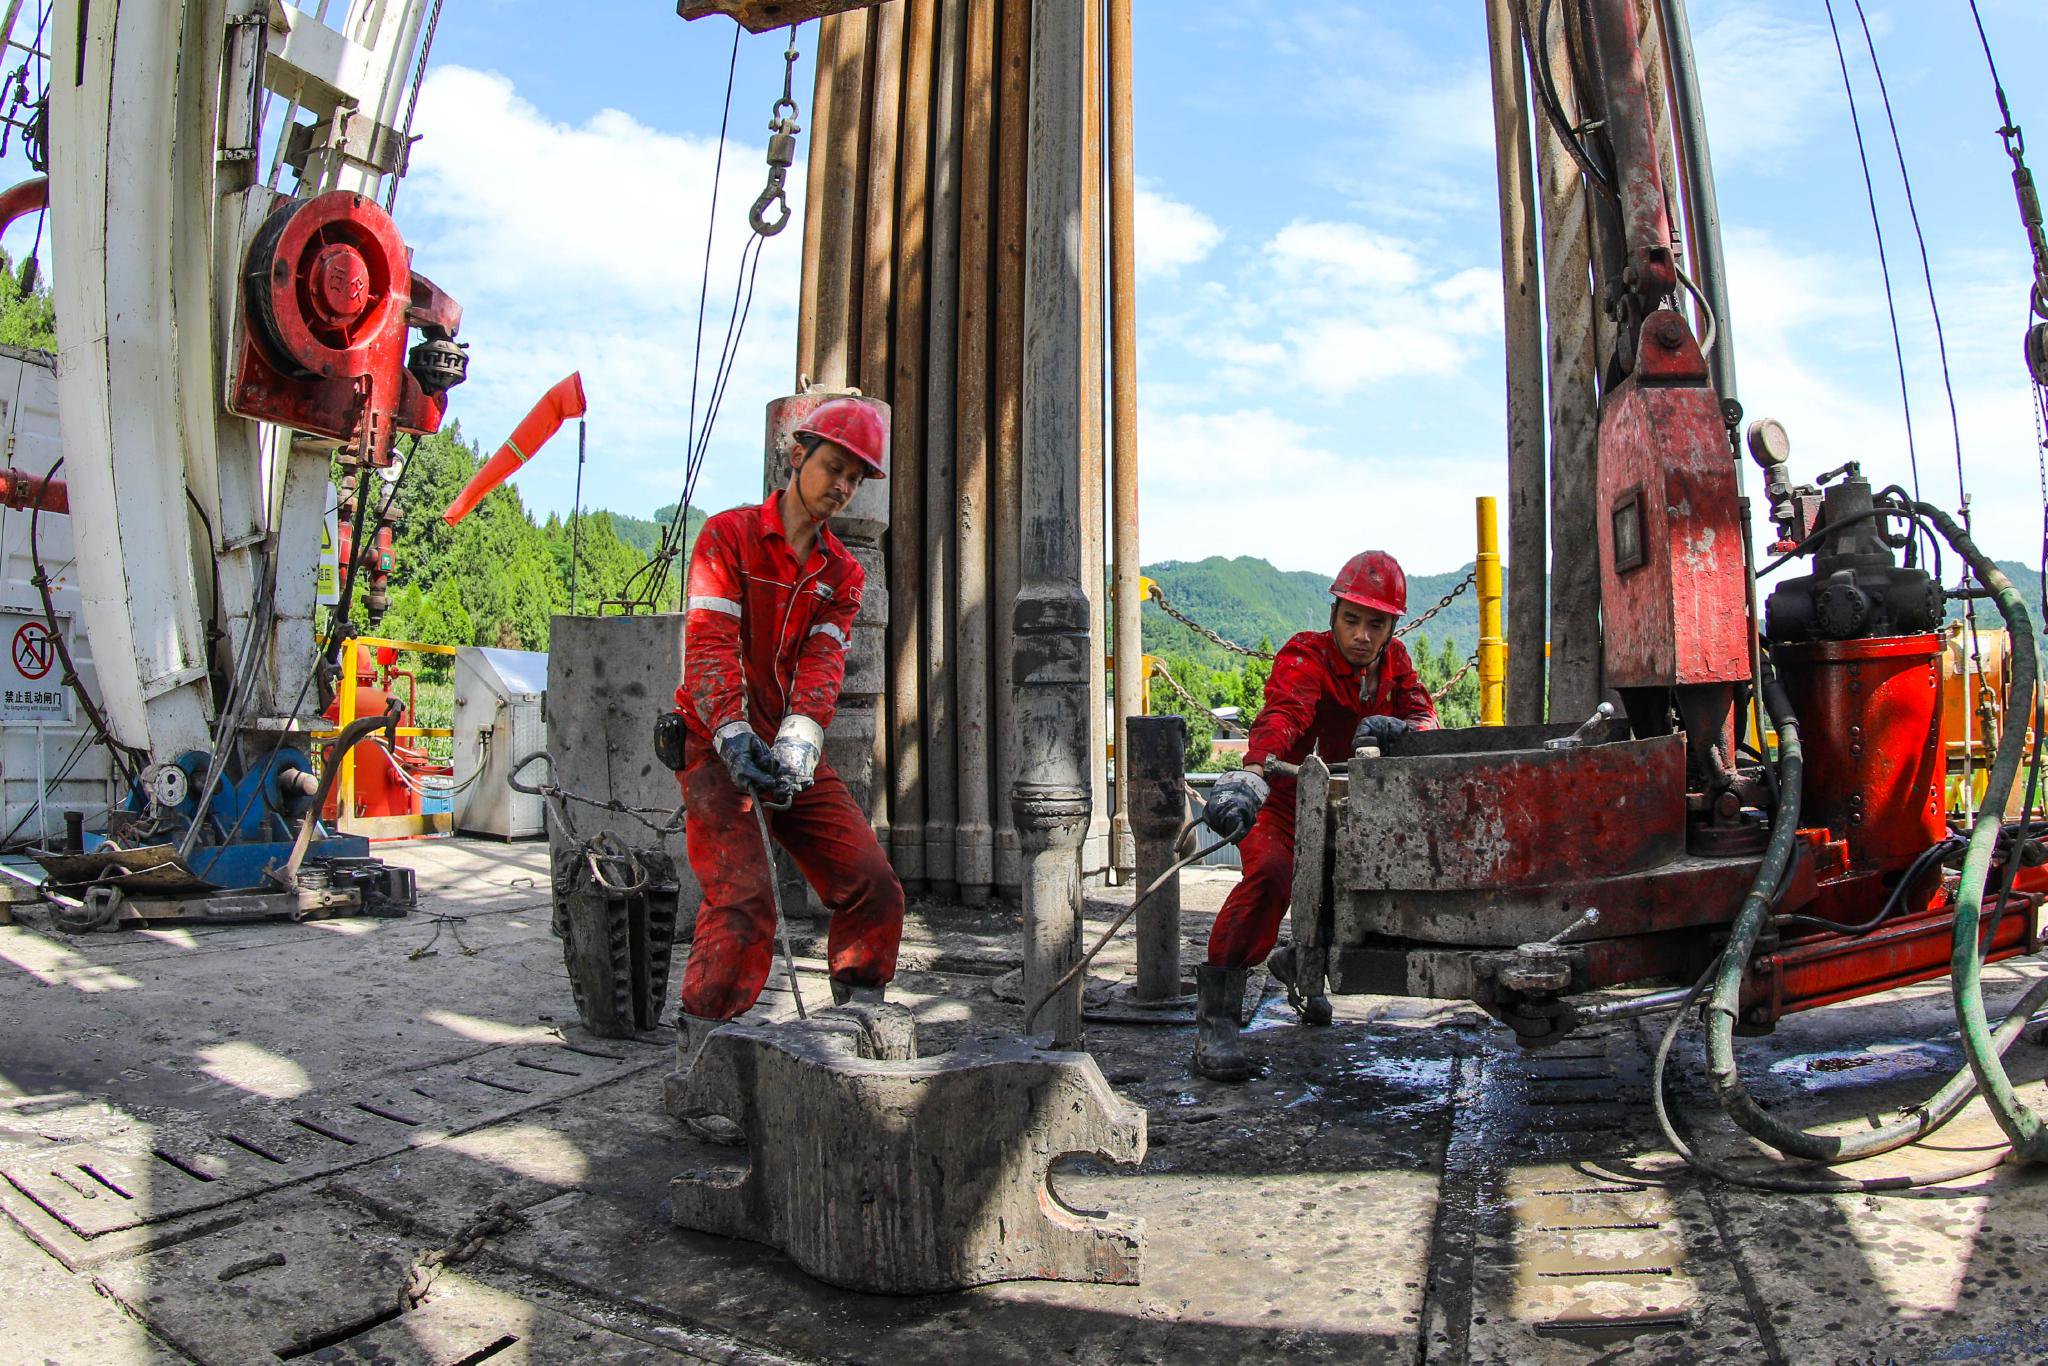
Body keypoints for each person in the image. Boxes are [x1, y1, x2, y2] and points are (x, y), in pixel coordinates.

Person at [671, 397, 906, 1080]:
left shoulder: (842, 572)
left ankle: (858, 1020)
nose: (841, 487)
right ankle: (704, 1066)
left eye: (855, 479)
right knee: (743, 902)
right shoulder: (728, 536)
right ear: (797, 457)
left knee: (872, 884)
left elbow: (824, 658)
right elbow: (710, 644)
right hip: (714, 741)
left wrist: (803, 733)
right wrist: (731, 732)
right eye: (833, 467)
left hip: (783, 745)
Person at [1191, 549, 1438, 1082]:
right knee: (1271, 877)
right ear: (1334, 617)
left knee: (1363, 889)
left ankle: (1302, 961)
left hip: (1354, 810)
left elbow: (1426, 719)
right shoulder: (1306, 656)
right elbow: (1285, 713)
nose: (1362, 636)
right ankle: (1218, 1019)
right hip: (1284, 802)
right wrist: (1252, 775)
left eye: (1376, 624)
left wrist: (1409, 732)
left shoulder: (1396, 667)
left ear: (1393, 627)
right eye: (1352, 620)